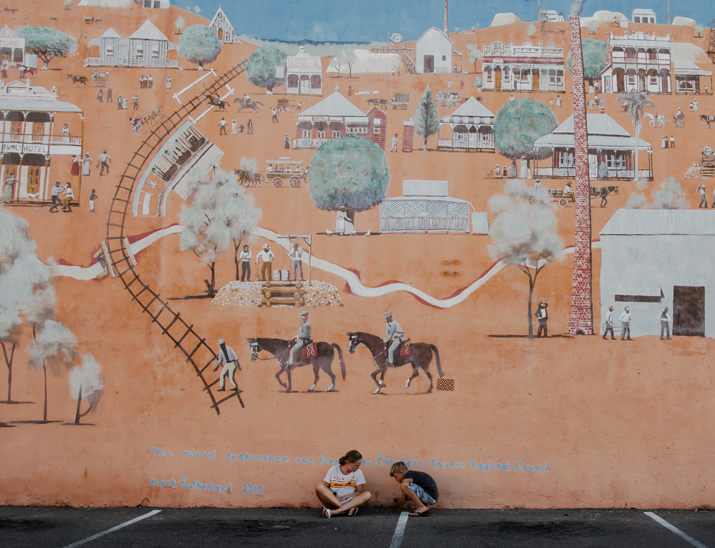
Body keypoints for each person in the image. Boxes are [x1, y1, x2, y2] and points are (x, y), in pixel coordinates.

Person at [315, 450, 372, 518]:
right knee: (319, 486)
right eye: (356, 465)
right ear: (348, 463)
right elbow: (325, 487)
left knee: (367, 494)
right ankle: (345, 510)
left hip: (349, 502)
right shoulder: (333, 469)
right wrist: (335, 495)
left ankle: (336, 512)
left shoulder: (358, 472)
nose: (358, 468)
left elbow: (359, 491)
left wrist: (348, 496)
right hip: (332, 501)